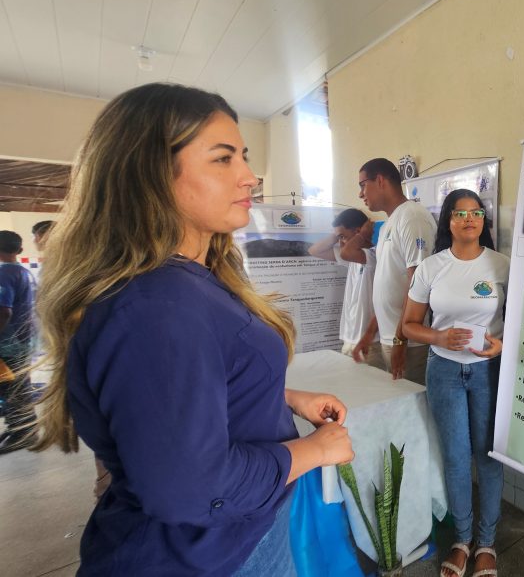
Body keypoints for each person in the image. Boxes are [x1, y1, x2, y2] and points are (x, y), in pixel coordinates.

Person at [31, 83, 355, 576]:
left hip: (240, 538)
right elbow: (192, 489)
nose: (249, 177)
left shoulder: (197, 276)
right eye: (222, 159)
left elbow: (194, 387)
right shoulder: (154, 306)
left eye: (243, 157)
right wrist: (312, 450)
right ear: (150, 174)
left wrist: (283, 397)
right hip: (198, 559)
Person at [402, 189, 508, 577]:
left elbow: (523, 319)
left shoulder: (502, 265)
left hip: (488, 372)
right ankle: (463, 540)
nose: (469, 219)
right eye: (460, 213)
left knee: (488, 456)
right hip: (444, 371)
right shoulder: (432, 267)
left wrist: (503, 344)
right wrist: (438, 337)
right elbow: (409, 324)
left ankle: (487, 543)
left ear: (484, 220)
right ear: (448, 220)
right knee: (456, 457)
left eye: (475, 212)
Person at [352, 157, 436, 384]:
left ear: (380, 180)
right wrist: (370, 333)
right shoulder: (389, 224)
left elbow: (418, 285)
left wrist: (401, 340)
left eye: (363, 185)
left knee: (412, 403)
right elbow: (387, 284)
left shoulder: (412, 217)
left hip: (411, 343)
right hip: (391, 338)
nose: (360, 194)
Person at [307, 208, 383, 369]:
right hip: (350, 338)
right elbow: (314, 250)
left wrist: (360, 236)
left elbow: (346, 252)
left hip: (370, 341)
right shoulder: (352, 258)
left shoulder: (373, 255)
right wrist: (337, 234)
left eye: (343, 236)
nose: (340, 242)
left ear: (358, 231)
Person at [0, 231, 36, 455]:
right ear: (20, 250)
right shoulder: (23, 271)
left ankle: (24, 433)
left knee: (12, 387)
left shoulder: (4, 273)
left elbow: (4, 311)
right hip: (23, 338)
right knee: (18, 385)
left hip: (9, 342)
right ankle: (19, 427)